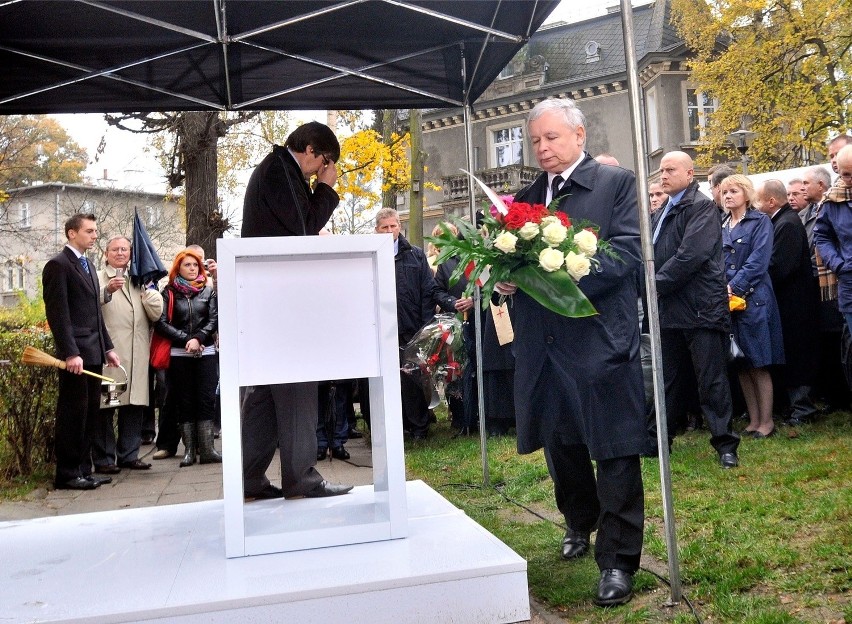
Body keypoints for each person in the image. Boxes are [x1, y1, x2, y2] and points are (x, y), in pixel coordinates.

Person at [494, 98, 646, 607]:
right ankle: (578, 521)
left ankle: (620, 561)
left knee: (615, 448)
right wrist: (511, 280)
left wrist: (562, 279)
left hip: (600, 340)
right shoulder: (526, 198)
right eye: (534, 140)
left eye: (551, 138)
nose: (542, 149)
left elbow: (624, 252)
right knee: (562, 443)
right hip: (544, 346)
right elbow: (510, 260)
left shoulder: (615, 185)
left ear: (579, 136)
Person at [240, 121, 353, 500]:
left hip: (268, 297)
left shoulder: (276, 171)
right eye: (324, 161)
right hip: (282, 301)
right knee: (297, 384)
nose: (323, 169)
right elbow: (304, 230)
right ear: (309, 150)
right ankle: (301, 477)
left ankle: (250, 477)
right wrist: (326, 189)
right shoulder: (280, 169)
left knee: (267, 394)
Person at [652, 151, 739, 465]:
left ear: (690, 174)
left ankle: (726, 445)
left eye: (670, 169)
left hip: (701, 307)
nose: (663, 175)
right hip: (671, 308)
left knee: (711, 379)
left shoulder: (701, 207)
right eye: (661, 170)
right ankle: (659, 441)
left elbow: (692, 255)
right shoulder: (662, 210)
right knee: (669, 379)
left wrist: (653, 284)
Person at [43, 213, 121, 490]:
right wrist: (70, 352)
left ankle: (84, 470)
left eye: (95, 231)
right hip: (76, 355)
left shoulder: (86, 264)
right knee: (73, 414)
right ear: (71, 233)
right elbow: (58, 314)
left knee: (90, 413)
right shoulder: (58, 265)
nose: (95, 235)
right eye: (89, 231)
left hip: (94, 351)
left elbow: (94, 314)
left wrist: (107, 347)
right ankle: (67, 473)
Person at [375, 208, 457, 440]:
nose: (390, 231)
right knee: (387, 382)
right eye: (385, 227)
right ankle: (392, 428)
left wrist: (424, 327)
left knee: (412, 381)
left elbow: (428, 291)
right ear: (377, 229)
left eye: (394, 226)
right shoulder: (371, 254)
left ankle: (419, 427)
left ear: (399, 226)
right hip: (383, 329)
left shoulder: (415, 255)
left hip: (411, 328)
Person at [721, 175, 785, 438]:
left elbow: (759, 261)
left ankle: (766, 421)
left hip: (754, 299)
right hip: (727, 301)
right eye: (724, 192)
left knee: (759, 362)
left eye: (733, 191)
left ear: (746, 194)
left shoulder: (760, 222)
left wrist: (733, 286)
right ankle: (753, 420)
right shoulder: (721, 224)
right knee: (741, 363)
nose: (727, 196)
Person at [92, 236, 163, 473]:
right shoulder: (99, 278)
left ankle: (129, 455)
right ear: (106, 253)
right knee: (108, 406)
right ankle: (103, 459)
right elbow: (89, 306)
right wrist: (107, 292)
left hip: (138, 353)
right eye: (115, 249)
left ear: (131, 253)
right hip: (114, 354)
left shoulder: (139, 280)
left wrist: (149, 289)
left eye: (124, 249)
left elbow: (155, 314)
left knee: (134, 405)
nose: (120, 253)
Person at [753, 181, 820, 426]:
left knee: (798, 355)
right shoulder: (782, 222)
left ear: (771, 201)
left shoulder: (788, 224)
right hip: (789, 303)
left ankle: (803, 409)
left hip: (795, 304)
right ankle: (794, 408)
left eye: (759, 201)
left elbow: (779, 266)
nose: (757, 206)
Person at [153, 249, 221, 467]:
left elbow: (214, 319)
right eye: (187, 265)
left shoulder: (207, 292)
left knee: (206, 399)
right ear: (178, 268)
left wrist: (199, 338)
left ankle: (208, 449)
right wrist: (186, 340)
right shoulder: (169, 292)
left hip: (206, 353)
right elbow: (161, 323)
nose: (192, 269)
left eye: (195, 265)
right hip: (180, 355)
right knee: (185, 401)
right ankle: (189, 451)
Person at [815, 145, 852, 336]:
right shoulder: (832, 201)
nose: (851, 180)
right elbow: (821, 236)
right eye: (846, 175)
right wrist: (838, 265)